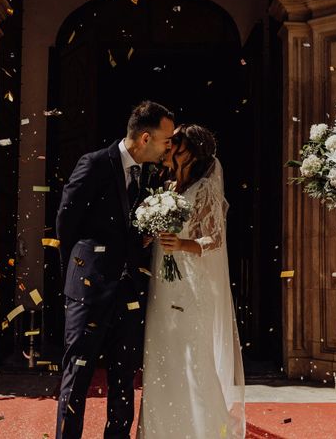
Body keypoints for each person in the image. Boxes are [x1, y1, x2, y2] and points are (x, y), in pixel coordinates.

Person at [55, 101, 175, 439]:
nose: (169, 148)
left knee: (124, 378)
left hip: (130, 290)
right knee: (77, 374)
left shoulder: (150, 174)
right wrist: (77, 274)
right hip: (89, 287)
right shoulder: (94, 164)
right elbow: (66, 220)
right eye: (166, 140)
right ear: (145, 138)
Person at [137, 124, 246, 439]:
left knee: (191, 359)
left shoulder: (203, 188)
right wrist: (149, 237)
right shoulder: (167, 186)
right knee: (161, 357)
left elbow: (215, 239)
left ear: (192, 150)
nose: (170, 146)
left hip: (191, 286)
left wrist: (181, 245)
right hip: (163, 283)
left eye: (178, 142)